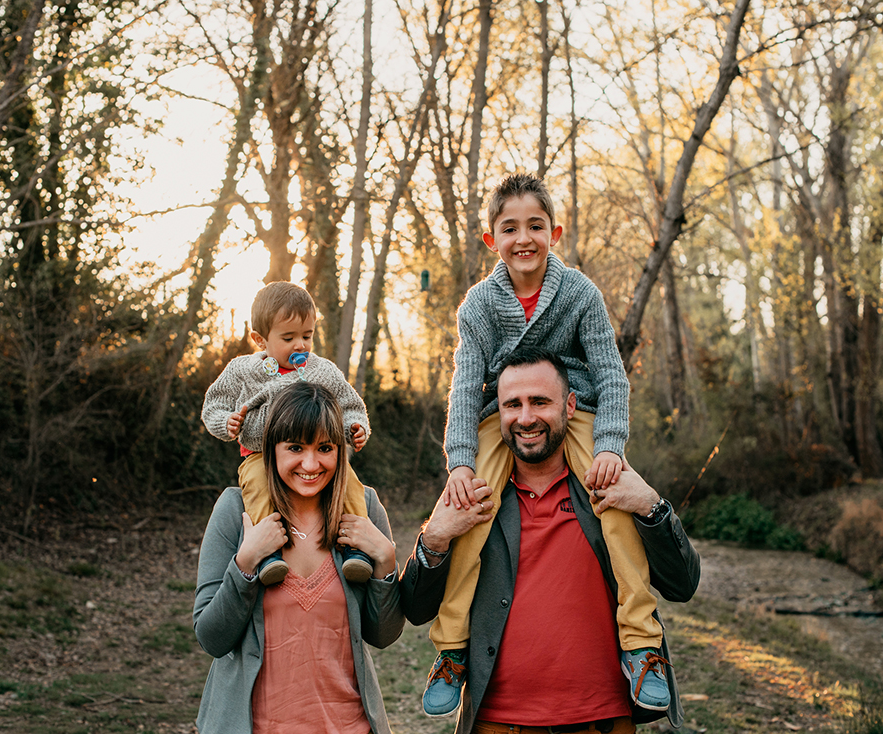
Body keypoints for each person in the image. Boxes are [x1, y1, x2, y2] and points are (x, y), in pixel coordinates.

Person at [423, 173, 665, 716]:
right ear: (492, 240)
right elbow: (465, 385)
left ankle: (642, 641)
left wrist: (609, 444)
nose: (523, 238)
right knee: (469, 507)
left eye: (535, 225)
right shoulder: (481, 304)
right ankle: (452, 649)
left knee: (615, 496)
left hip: (572, 410)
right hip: (500, 413)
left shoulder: (579, 292)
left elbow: (609, 371)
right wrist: (459, 462)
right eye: (509, 228)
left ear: (554, 231)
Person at [401, 348, 700, 734]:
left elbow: (682, 584)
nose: (525, 418)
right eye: (513, 404)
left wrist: (650, 505)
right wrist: (435, 537)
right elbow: (415, 607)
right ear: (498, 413)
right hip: (496, 722)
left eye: (540, 402)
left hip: (601, 721)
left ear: (571, 406)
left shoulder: (607, 489)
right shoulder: (475, 498)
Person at [193, 381, 404, 733]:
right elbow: (212, 638)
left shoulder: (363, 508)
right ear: (270, 448)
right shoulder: (235, 510)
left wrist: (384, 562)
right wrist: (245, 565)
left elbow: (382, 635)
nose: (311, 463)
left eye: (324, 447)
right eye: (295, 447)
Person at [202, 281, 375, 584]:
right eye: (288, 337)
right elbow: (213, 406)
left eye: (307, 336)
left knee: (348, 482)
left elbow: (350, 405)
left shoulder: (322, 371)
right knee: (256, 487)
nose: (300, 345)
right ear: (260, 339)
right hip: (258, 455)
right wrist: (227, 422)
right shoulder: (242, 371)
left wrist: (354, 428)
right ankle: (268, 554)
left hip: (314, 450)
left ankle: (355, 548)